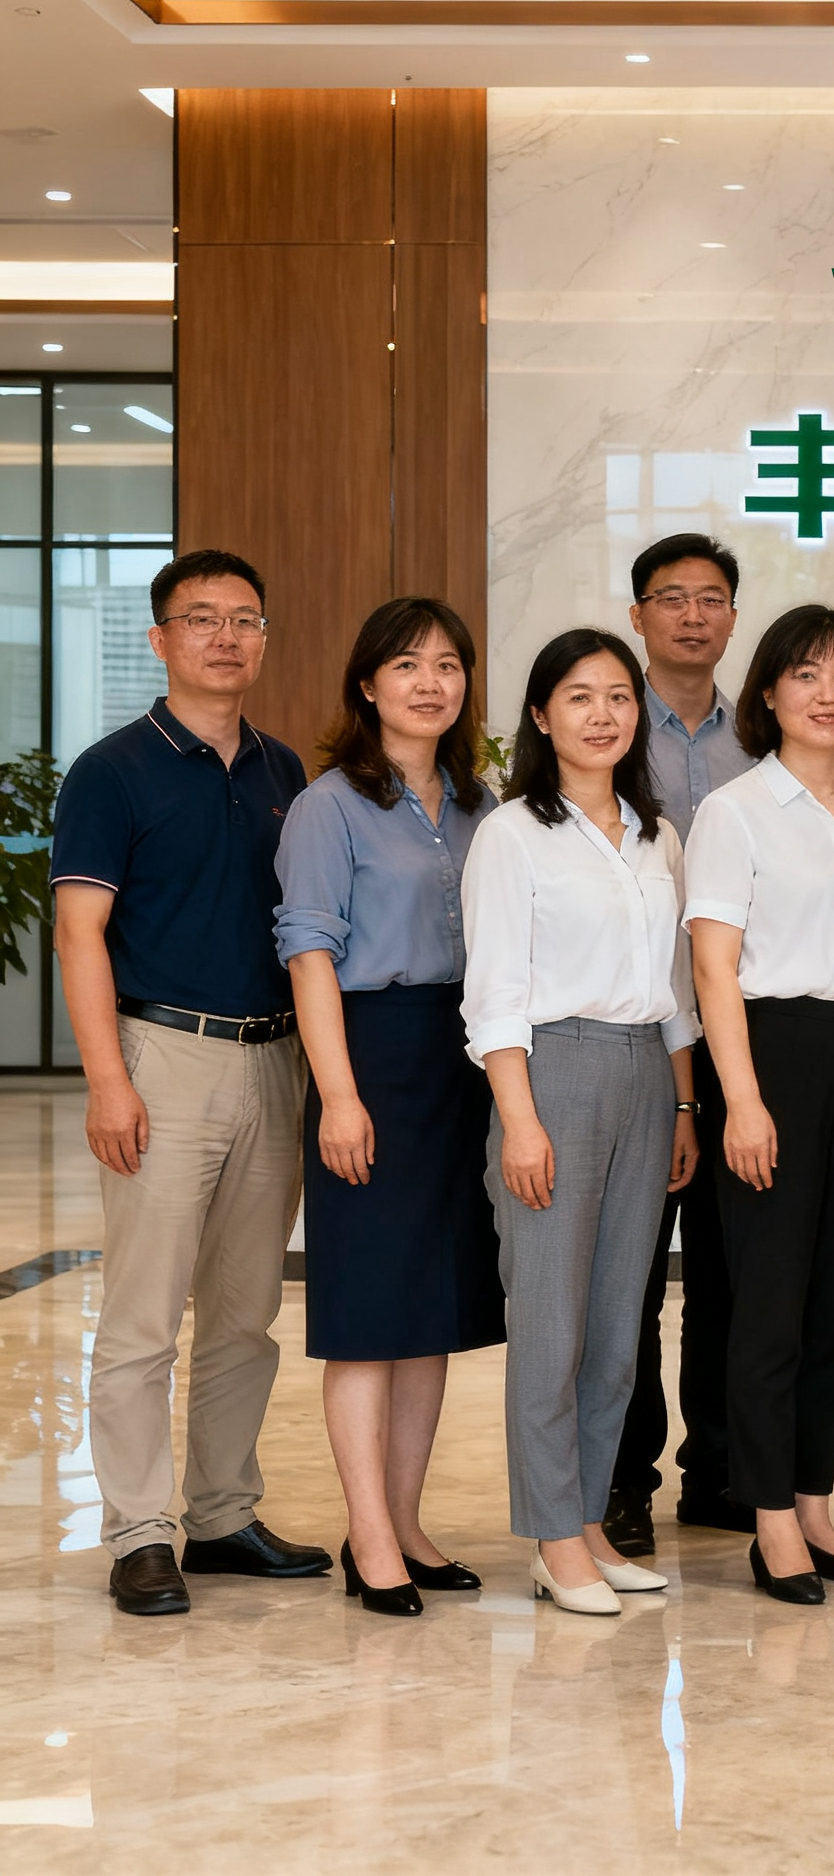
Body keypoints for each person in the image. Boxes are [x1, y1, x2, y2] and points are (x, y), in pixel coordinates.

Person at [51, 548, 332, 1618]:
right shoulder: (112, 770)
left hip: (275, 1058)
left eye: (244, 619)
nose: (226, 636)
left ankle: (220, 1514)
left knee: (245, 1314)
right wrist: (107, 1080)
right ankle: (138, 1532)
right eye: (202, 617)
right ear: (160, 638)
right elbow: (81, 932)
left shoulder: (283, 771)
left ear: (264, 638)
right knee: (143, 1314)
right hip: (162, 1056)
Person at [462, 628, 701, 1615]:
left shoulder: (657, 835)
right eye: (578, 695)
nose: (602, 714)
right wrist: (519, 1122)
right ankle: (552, 1534)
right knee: (551, 1320)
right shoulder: (513, 831)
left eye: (618, 695)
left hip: (646, 1070)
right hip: (550, 1071)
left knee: (616, 1323)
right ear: (540, 714)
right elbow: (494, 991)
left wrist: (683, 1103)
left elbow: (678, 988)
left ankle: (592, 1519)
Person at [685, 605, 834, 1604]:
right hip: (770, 1054)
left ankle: (815, 1505)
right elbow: (713, 967)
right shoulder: (733, 811)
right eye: (807, 674)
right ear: (769, 692)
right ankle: (769, 1519)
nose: (829, 693)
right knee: (770, 1304)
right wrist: (740, 1101)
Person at [274, 597, 503, 1618]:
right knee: (368, 1315)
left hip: (460, 1060)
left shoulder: (480, 804)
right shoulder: (328, 805)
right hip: (369, 1054)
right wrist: (338, 1095)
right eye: (406, 664)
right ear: (367, 684)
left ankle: (405, 1522)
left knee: (429, 1311)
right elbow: (309, 953)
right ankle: (367, 1534)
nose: (429, 682)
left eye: (447, 664)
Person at [606, 533, 754, 1555]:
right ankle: (623, 1480)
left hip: (741, 1032)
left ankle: (723, 1471)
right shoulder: (608, 729)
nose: (692, 615)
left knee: (733, 1270)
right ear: (638, 616)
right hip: (634, 1031)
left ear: (733, 617)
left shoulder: (767, 734)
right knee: (628, 1274)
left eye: (710, 599)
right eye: (671, 598)